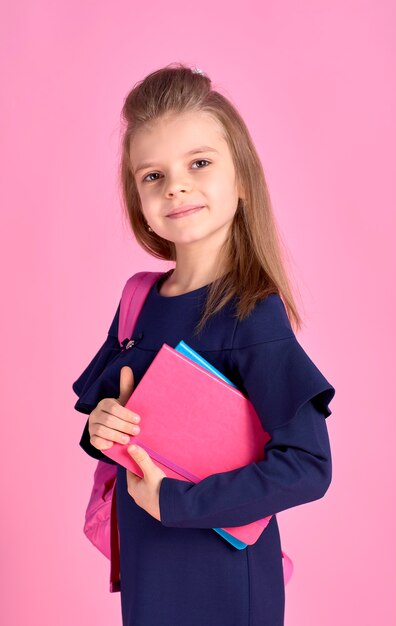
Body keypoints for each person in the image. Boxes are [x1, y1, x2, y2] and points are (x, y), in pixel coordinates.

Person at [72, 63, 336, 626]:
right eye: (153, 175)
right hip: (148, 561)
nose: (177, 186)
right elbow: (108, 424)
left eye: (199, 163)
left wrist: (178, 503)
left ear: (240, 176)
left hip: (220, 575)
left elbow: (309, 465)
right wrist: (102, 425)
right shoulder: (138, 301)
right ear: (136, 194)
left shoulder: (252, 313)